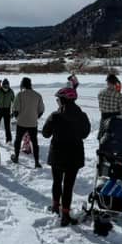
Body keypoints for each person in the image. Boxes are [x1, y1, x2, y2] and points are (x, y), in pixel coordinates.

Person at [42, 87, 91, 226]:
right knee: (68, 186)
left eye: (58, 99)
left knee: (57, 182)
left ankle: (55, 207)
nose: (57, 101)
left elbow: (45, 133)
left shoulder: (55, 116)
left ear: (63, 100)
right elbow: (85, 134)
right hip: (74, 155)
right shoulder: (82, 116)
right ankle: (65, 214)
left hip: (57, 154)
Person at [11, 77, 44, 166]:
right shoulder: (38, 95)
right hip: (33, 123)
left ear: (22, 84)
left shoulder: (20, 95)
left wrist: (18, 117)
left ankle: (16, 157)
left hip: (21, 122)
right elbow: (41, 110)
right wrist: (35, 117)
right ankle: (37, 162)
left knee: (18, 140)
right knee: (35, 142)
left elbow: (15, 110)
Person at [0, 78, 15, 144]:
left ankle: (9, 140)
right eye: (5, 86)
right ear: (2, 85)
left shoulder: (11, 92)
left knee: (7, 126)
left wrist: (13, 111)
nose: (6, 87)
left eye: (7, 86)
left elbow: (14, 102)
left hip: (7, 110)